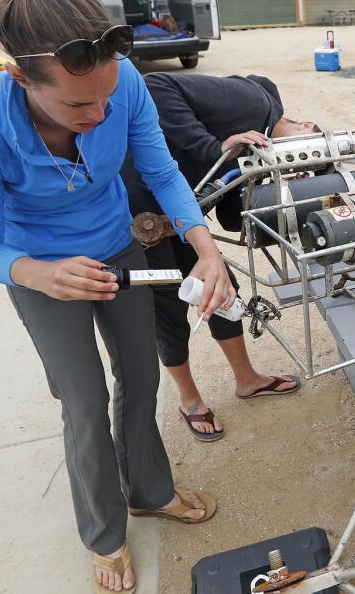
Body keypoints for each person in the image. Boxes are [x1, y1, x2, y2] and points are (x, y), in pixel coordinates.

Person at [0, 0, 228, 593]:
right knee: (84, 400)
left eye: (107, 100)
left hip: (117, 243)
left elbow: (157, 164)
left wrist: (203, 241)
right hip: (39, 270)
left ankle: (149, 490)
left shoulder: (119, 79)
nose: (100, 117)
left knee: (142, 378)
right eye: (77, 106)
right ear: (20, 77)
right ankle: (103, 533)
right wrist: (38, 273)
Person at [120, 73, 319, 442]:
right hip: (141, 208)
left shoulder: (255, 143)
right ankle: (190, 400)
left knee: (223, 290)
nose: (302, 157)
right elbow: (155, 84)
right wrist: (213, 148)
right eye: (313, 144)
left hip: (181, 209)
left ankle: (247, 380)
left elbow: (230, 215)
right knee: (168, 305)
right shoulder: (255, 104)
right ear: (307, 125)